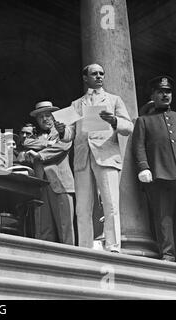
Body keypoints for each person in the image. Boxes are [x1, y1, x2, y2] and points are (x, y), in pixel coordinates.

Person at [54, 63, 134, 253]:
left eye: (101, 73)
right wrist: (61, 130)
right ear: (85, 78)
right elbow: (70, 133)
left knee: (111, 203)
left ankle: (113, 246)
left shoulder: (114, 100)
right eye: (94, 74)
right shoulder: (77, 103)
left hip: (106, 155)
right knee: (82, 207)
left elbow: (129, 127)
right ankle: (84, 248)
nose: (99, 76)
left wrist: (114, 120)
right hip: (83, 157)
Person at [132, 76, 176, 262]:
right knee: (163, 216)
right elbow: (138, 146)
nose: (165, 95)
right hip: (159, 173)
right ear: (153, 96)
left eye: (167, 91)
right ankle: (168, 254)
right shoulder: (144, 121)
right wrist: (144, 167)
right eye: (160, 92)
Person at [23, 101, 75, 245]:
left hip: (61, 183)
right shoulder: (39, 137)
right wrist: (47, 143)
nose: (45, 119)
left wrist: (39, 155)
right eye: (40, 117)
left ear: (54, 117)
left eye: (48, 115)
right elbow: (27, 143)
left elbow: (63, 146)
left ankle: (70, 261)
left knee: (65, 228)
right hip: (41, 184)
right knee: (44, 228)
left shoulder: (64, 132)